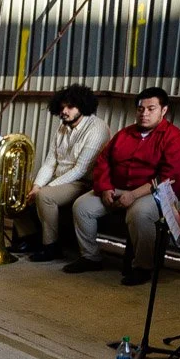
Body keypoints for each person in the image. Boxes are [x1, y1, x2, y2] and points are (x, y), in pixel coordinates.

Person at [66, 87, 180, 284]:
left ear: (164, 110)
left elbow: (168, 177)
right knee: (82, 207)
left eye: (151, 109)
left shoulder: (175, 138)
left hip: (155, 193)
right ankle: (90, 257)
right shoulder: (124, 134)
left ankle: (143, 267)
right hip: (117, 188)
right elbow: (103, 161)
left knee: (139, 213)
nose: (144, 113)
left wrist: (133, 195)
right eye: (140, 109)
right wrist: (105, 188)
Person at [20, 84, 111, 262]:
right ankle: (29, 238)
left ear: (82, 106)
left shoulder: (97, 128)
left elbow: (81, 169)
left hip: (83, 182)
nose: (64, 111)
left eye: (70, 107)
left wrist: (45, 189)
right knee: (21, 191)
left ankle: (51, 246)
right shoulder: (63, 127)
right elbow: (50, 162)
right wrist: (37, 185)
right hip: (61, 179)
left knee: (45, 196)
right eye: (62, 107)